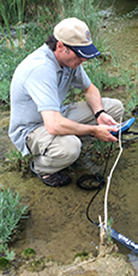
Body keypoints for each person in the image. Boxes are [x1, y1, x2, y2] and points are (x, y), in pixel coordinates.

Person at [9, 17, 124, 187]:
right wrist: (93, 130)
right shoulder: (40, 68)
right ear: (61, 46)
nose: (83, 60)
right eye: (80, 54)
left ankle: (65, 150)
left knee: (114, 108)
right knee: (70, 146)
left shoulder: (69, 61)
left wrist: (100, 114)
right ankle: (42, 167)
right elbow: (54, 125)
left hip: (56, 114)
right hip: (32, 129)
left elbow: (89, 88)